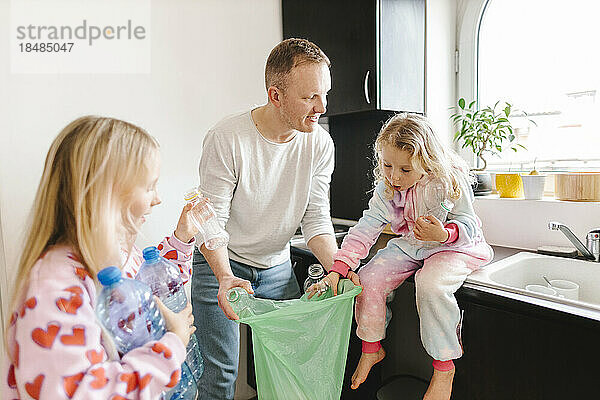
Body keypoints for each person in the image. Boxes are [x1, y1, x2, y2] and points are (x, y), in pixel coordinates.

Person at [191, 38, 359, 399]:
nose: (321, 107)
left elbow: (316, 219)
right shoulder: (227, 137)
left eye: (325, 94)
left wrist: (340, 269)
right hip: (220, 264)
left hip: (276, 267)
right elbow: (211, 220)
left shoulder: (319, 143)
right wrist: (224, 277)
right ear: (276, 95)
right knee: (221, 375)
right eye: (310, 97)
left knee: (294, 365)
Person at [2, 116, 206, 399]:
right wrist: (172, 347)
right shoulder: (55, 288)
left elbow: (150, 287)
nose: (157, 199)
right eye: (149, 187)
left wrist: (182, 238)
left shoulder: (114, 256)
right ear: (107, 194)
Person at [315, 113, 493, 400]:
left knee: (431, 284)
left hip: (454, 245)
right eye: (387, 165)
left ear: (427, 162)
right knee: (368, 279)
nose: (395, 176)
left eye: (405, 169)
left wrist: (444, 234)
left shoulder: (448, 180)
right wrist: (340, 265)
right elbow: (367, 226)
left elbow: (469, 224)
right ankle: (372, 348)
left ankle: (444, 368)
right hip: (413, 244)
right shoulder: (388, 188)